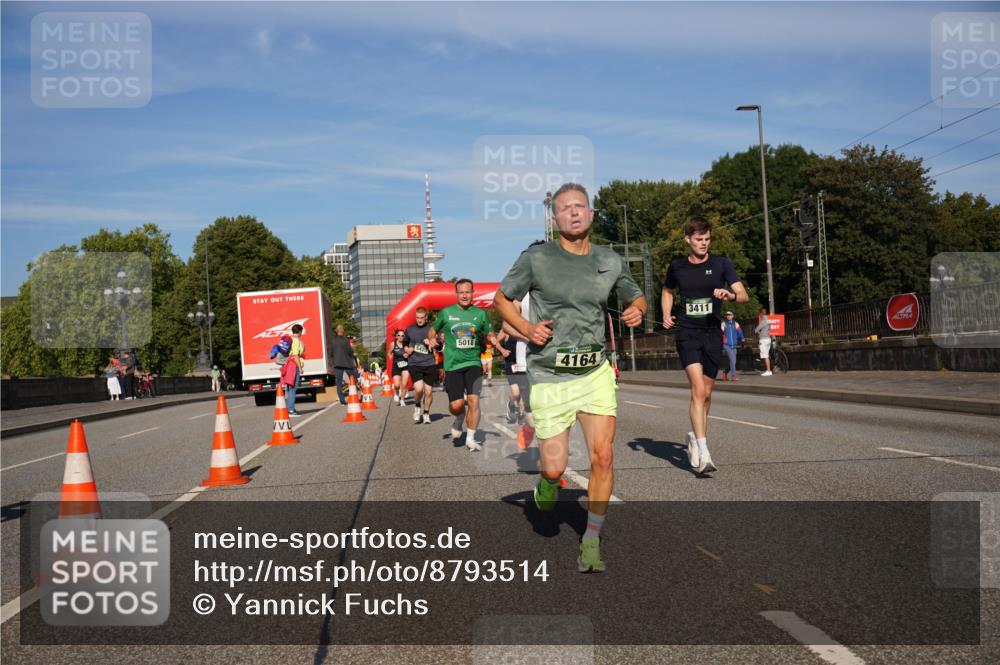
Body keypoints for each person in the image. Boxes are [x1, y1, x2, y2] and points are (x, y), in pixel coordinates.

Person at [495, 183, 646, 573]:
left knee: (604, 456)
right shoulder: (536, 258)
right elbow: (501, 300)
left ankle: (592, 539)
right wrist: (527, 330)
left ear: (591, 214)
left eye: (581, 206)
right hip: (550, 375)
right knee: (554, 468)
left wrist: (637, 310)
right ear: (554, 218)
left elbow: (635, 294)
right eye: (566, 208)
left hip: (594, 372)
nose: (575, 213)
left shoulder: (610, 260)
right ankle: (545, 484)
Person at [662, 216, 749, 475]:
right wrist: (667, 313)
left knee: (707, 394)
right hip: (688, 333)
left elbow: (743, 296)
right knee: (698, 390)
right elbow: (667, 290)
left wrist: (730, 295)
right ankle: (703, 450)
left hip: (712, 334)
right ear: (687, 239)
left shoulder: (721, 264)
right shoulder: (677, 266)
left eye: (707, 239)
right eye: (699, 239)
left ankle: (694, 437)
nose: (704, 243)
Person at [431, 279, 497, 451]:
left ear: (473, 292)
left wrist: (493, 338)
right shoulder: (446, 313)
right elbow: (433, 329)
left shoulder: (481, 314)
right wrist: (431, 338)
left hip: (473, 362)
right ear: (457, 294)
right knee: (457, 405)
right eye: (461, 292)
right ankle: (459, 417)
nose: (465, 295)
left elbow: (488, 332)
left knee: (474, 401)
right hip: (453, 365)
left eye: (468, 292)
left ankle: (471, 438)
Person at [403, 307, 438, 423]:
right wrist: (407, 348)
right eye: (417, 318)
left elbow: (440, 345)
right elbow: (405, 341)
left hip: (429, 363)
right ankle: (417, 406)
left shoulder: (431, 330)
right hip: (415, 363)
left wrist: (432, 343)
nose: (419, 320)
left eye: (422, 318)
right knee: (418, 389)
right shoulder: (410, 329)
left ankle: (426, 413)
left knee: (428, 391)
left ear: (426, 318)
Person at [331, 324, 359, 405]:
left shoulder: (333, 340)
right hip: (347, 363)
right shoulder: (345, 340)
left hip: (337, 364)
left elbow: (331, 353)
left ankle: (342, 401)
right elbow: (350, 351)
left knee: (339, 383)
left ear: (336, 331)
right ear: (343, 331)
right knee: (353, 379)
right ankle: (355, 396)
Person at [284, 323, 305, 416]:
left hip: (289, 364)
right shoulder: (296, 340)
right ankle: (291, 410)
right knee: (293, 388)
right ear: (300, 331)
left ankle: (289, 408)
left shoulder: (291, 338)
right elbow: (296, 355)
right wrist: (300, 367)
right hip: (294, 365)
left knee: (289, 388)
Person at [721, 311, 744, 381]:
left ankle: (725, 372)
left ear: (732, 316)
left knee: (733, 362)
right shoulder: (723, 323)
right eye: (727, 315)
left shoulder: (735, 323)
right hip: (727, 345)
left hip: (734, 345)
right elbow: (720, 333)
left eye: (730, 315)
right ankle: (734, 376)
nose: (728, 316)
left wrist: (742, 338)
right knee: (732, 360)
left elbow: (739, 331)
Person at [389, 329, 410, 404]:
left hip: (405, 365)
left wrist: (407, 354)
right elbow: (389, 353)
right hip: (396, 366)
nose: (401, 337)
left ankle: (402, 400)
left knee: (404, 384)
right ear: (396, 336)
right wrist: (390, 356)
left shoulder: (406, 344)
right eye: (399, 335)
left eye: (402, 335)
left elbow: (410, 352)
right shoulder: (393, 344)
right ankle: (396, 392)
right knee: (397, 385)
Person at [755, 307, 773, 376]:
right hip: (768, 338)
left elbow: (756, 330)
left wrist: (759, 333)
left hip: (763, 339)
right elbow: (769, 329)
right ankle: (768, 370)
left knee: (765, 355)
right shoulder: (769, 320)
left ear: (761, 314)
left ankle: (768, 370)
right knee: (767, 355)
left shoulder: (763, 321)